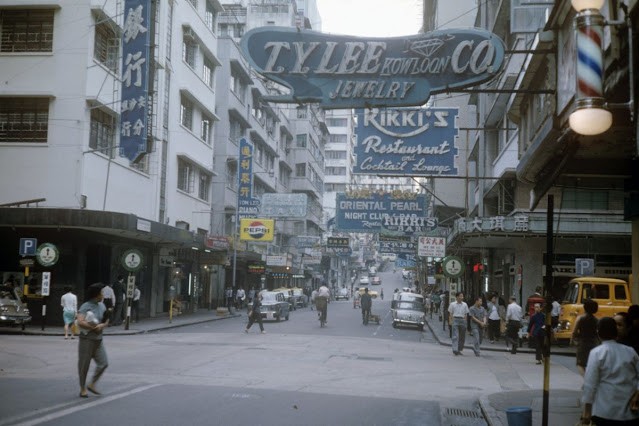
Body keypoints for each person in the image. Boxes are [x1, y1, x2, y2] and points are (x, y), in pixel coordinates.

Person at [581, 317, 639, 425]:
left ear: (598, 332)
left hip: (604, 412)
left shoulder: (597, 353)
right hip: (629, 413)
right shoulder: (630, 351)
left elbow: (590, 384)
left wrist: (586, 413)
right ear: (616, 332)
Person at [76, 283, 110, 398]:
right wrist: (93, 327)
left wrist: (102, 326)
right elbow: (80, 321)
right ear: (96, 295)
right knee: (84, 365)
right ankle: (82, 388)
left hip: (98, 340)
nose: (103, 294)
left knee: (103, 363)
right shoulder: (86, 306)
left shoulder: (102, 306)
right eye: (101, 292)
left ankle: (92, 384)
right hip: (87, 339)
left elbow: (106, 320)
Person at [572, 298, 600, 376]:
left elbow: (574, 331)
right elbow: (598, 333)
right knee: (591, 364)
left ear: (585, 307)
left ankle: (586, 380)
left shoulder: (580, 318)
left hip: (583, 343)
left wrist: (573, 341)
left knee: (580, 364)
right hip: (594, 343)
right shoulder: (597, 320)